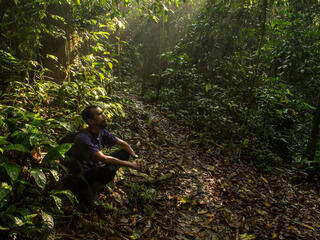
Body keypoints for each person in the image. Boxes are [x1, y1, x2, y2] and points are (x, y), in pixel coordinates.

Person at [66, 105, 144, 208]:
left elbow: (122, 143)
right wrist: (132, 165)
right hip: (82, 173)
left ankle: (99, 183)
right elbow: (104, 158)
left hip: (95, 165)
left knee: (125, 153)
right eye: (99, 114)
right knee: (110, 170)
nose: (104, 116)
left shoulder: (101, 132)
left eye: (103, 112)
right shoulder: (83, 138)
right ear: (91, 121)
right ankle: (89, 191)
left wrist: (135, 157)